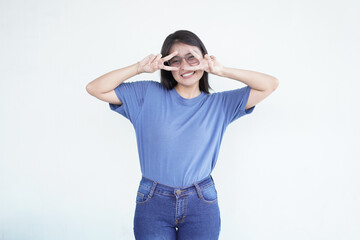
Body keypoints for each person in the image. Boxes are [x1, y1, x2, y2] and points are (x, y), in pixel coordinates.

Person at [86, 30, 279, 240]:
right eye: (175, 60)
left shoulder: (221, 104)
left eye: (191, 58)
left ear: (204, 59)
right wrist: (139, 68)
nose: (184, 66)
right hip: (153, 201)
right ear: (167, 65)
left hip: (201, 202)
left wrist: (222, 70)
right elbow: (95, 88)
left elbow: (269, 84)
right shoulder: (146, 94)